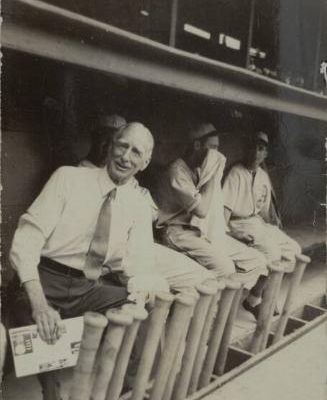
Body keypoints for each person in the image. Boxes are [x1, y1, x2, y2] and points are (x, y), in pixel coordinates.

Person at [9, 122, 167, 400]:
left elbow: (139, 261)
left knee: (142, 311)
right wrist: (40, 303)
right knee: (32, 317)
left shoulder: (136, 203)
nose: (125, 156)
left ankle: (130, 399)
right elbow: (26, 240)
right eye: (122, 145)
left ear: (144, 163)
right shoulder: (68, 178)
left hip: (88, 287)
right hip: (47, 277)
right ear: (111, 145)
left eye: (136, 152)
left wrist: (141, 291)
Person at [79, 114, 215, 293]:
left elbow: (152, 211)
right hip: (111, 253)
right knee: (157, 289)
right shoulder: (80, 172)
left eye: (114, 140)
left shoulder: (125, 177)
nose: (106, 146)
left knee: (204, 279)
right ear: (94, 138)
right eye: (103, 138)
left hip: (140, 247)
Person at [155, 122, 268, 302]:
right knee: (225, 268)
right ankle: (205, 313)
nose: (217, 154)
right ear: (197, 145)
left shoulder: (200, 169)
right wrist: (214, 174)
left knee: (256, 259)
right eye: (213, 148)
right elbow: (201, 210)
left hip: (199, 230)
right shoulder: (176, 171)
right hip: (175, 232)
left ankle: (241, 303)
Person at [223, 131, 301, 269]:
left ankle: (271, 287)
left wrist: (272, 230)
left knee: (293, 248)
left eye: (260, 149)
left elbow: (264, 213)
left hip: (257, 223)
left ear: (266, 154)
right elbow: (224, 215)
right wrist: (232, 233)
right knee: (272, 253)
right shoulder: (235, 172)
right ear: (245, 149)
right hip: (237, 223)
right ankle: (260, 290)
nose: (255, 153)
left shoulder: (263, 176)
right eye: (252, 147)